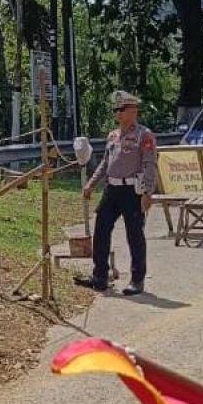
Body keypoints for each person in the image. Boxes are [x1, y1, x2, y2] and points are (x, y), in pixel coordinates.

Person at [76, 90, 157, 296]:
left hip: (132, 190)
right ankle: (100, 276)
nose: (117, 113)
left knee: (134, 234)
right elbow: (105, 162)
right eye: (116, 109)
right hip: (112, 189)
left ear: (133, 111)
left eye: (122, 109)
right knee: (101, 229)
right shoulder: (113, 135)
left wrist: (147, 192)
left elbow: (149, 164)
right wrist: (91, 184)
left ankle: (137, 280)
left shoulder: (144, 135)